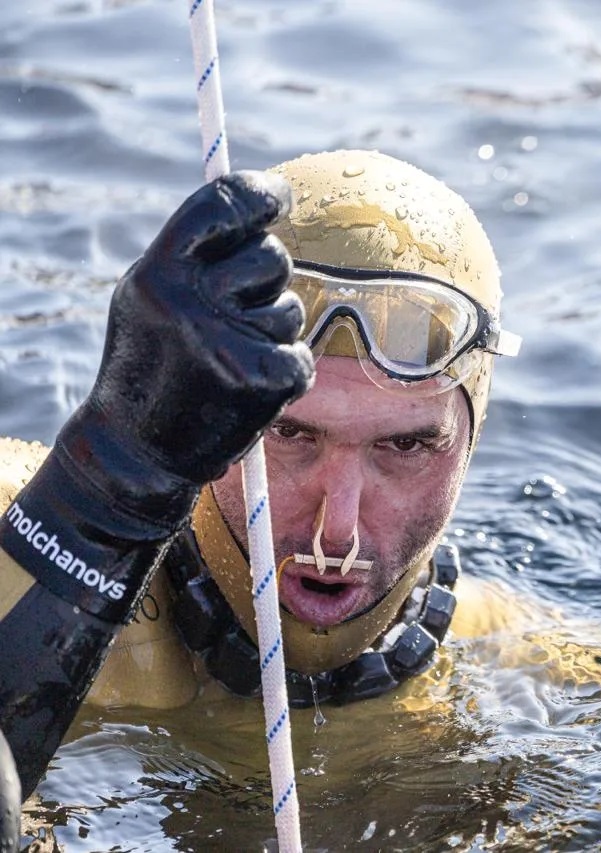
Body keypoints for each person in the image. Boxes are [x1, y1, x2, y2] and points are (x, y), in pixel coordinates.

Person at [0, 148, 526, 802]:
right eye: (290, 433)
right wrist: (108, 485)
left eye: (405, 446)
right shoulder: (22, 536)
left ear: (469, 441)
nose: (338, 532)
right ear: (212, 407)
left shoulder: (518, 663)